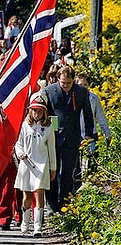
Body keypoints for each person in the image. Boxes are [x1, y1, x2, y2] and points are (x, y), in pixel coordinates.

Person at [43, 66, 94, 213]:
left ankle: (64, 203)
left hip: (72, 137)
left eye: (68, 83)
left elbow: (88, 115)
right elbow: (44, 113)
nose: (65, 85)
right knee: (52, 170)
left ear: (73, 80)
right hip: (53, 137)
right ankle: (51, 204)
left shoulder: (81, 92)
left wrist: (88, 135)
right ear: (58, 79)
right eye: (63, 82)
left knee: (68, 172)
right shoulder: (49, 91)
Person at [14, 94, 57, 237]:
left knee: (39, 194)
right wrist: (20, 153)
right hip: (27, 164)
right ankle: (25, 222)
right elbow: (18, 144)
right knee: (27, 196)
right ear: (30, 111)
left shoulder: (49, 127)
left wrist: (53, 167)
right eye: (34, 110)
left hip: (42, 165)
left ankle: (38, 226)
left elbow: (52, 149)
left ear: (44, 112)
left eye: (39, 111)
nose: (36, 114)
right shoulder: (25, 125)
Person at [75, 74, 110, 175]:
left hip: (91, 133)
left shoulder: (93, 98)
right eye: (81, 84)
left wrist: (106, 133)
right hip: (77, 134)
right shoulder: (73, 98)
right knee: (77, 164)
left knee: (91, 163)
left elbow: (100, 116)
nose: (83, 87)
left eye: (85, 85)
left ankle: (91, 183)